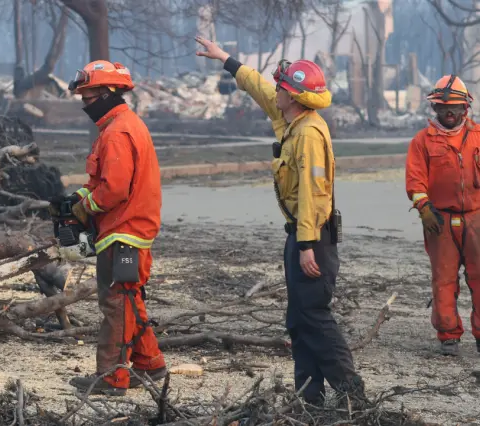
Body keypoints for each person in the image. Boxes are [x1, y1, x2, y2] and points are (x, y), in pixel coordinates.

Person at [194, 36, 367, 407]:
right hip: (301, 236)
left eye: (282, 86)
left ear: (294, 95)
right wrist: (226, 59)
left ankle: (352, 393)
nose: (276, 90)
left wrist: (306, 245)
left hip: (313, 238)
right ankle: (310, 399)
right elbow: (258, 87)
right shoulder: (291, 119)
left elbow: (314, 194)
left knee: (314, 318)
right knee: (299, 321)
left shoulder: (307, 134)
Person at [49, 60, 167, 396]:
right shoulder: (121, 126)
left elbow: (114, 190)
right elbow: (105, 182)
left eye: (88, 96)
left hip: (123, 232)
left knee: (115, 303)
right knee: (129, 298)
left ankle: (112, 377)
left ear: (107, 93)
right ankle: (150, 362)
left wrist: (85, 208)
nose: (85, 103)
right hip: (129, 230)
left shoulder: (116, 132)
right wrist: (76, 198)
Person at [406, 75, 480, 356]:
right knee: (444, 279)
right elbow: (415, 181)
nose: (449, 112)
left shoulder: (478, 136)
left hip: (476, 218)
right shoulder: (422, 141)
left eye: (455, 107)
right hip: (440, 221)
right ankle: (448, 337)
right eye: (443, 107)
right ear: (434, 108)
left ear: (465, 107)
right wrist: (424, 208)